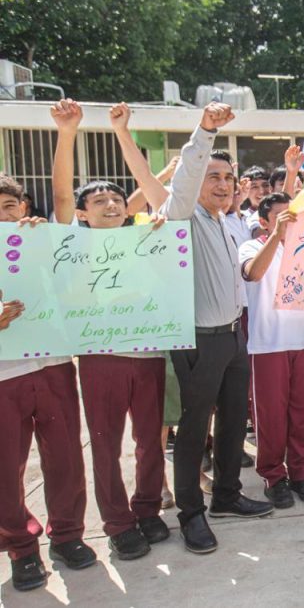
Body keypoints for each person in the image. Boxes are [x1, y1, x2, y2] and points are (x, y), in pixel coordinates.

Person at [50, 99, 170, 561]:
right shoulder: (73, 242)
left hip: (149, 354)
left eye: (117, 199)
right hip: (102, 357)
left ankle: (148, 508)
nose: (111, 205)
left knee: (150, 440)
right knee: (106, 444)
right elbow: (61, 197)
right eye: (99, 201)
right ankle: (118, 523)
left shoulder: (147, 238)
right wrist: (68, 132)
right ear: (83, 214)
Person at [159, 103, 274, 555]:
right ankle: (191, 514)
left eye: (228, 178)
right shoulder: (183, 214)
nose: (223, 185)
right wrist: (205, 131)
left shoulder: (226, 222)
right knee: (193, 432)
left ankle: (226, 495)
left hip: (231, 337)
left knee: (232, 422)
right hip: (199, 342)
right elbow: (186, 178)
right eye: (213, 177)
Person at [0, 174, 94, 592]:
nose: (4, 217)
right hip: (4, 375)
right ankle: (21, 547)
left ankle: (68, 534)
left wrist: (48, 238)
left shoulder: (42, 240)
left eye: (9, 207)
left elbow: (73, 276)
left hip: (53, 363)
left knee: (66, 456)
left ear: (23, 208)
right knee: (6, 468)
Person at [240, 192, 304, 507]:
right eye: (281, 216)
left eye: (293, 216)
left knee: (301, 413)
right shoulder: (251, 246)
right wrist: (277, 237)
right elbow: (254, 273)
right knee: (270, 416)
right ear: (263, 221)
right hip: (268, 344)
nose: (290, 221)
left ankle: (300, 473)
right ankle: (273, 476)